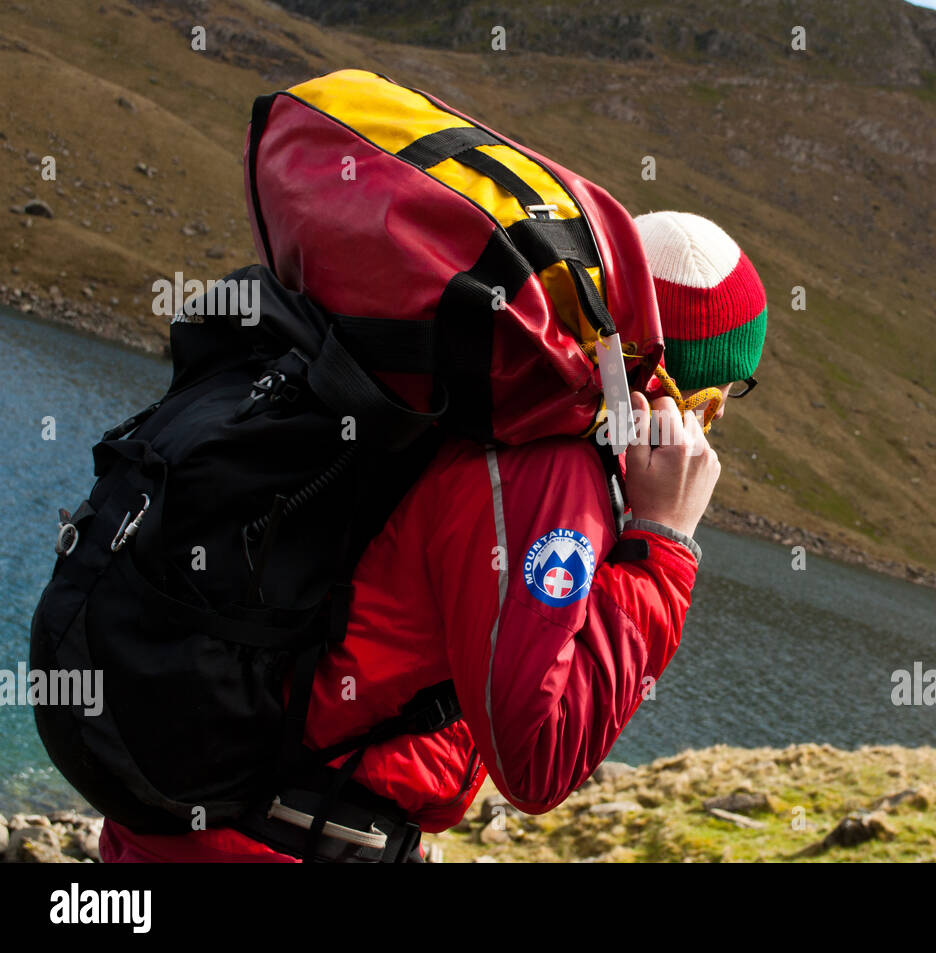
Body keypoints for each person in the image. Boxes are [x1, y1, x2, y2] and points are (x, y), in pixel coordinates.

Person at [98, 210, 767, 862]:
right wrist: (663, 545)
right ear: (682, 398)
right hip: (277, 836)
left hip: (194, 810)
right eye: (726, 395)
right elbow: (537, 759)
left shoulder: (461, 380)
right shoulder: (546, 463)